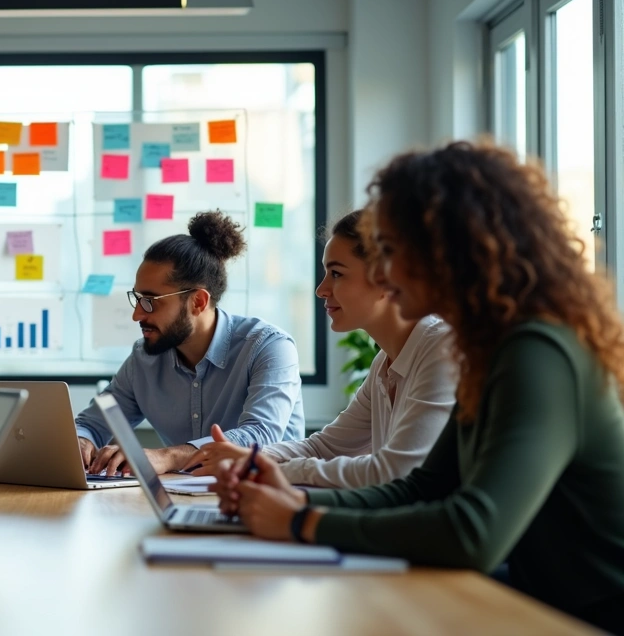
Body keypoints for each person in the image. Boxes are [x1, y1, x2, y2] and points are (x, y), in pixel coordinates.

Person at [211, 141, 624, 633]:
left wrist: (302, 522)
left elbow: (474, 532)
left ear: (445, 251)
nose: (382, 274)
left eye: (390, 252)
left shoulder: (537, 350)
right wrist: (296, 501)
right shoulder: (489, 349)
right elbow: (423, 487)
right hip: (539, 602)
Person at [190, 210, 456, 488]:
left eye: (337, 273)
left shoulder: (441, 347)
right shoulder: (384, 364)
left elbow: (396, 470)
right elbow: (323, 447)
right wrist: (248, 457)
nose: (321, 289)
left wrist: (265, 468)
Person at [74, 211, 306, 476]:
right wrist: (82, 440)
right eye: (137, 299)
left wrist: (170, 456)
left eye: (150, 301)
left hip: (268, 498)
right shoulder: (144, 358)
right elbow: (92, 424)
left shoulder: (269, 347)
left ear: (198, 302)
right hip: (181, 498)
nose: (137, 314)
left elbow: (261, 437)